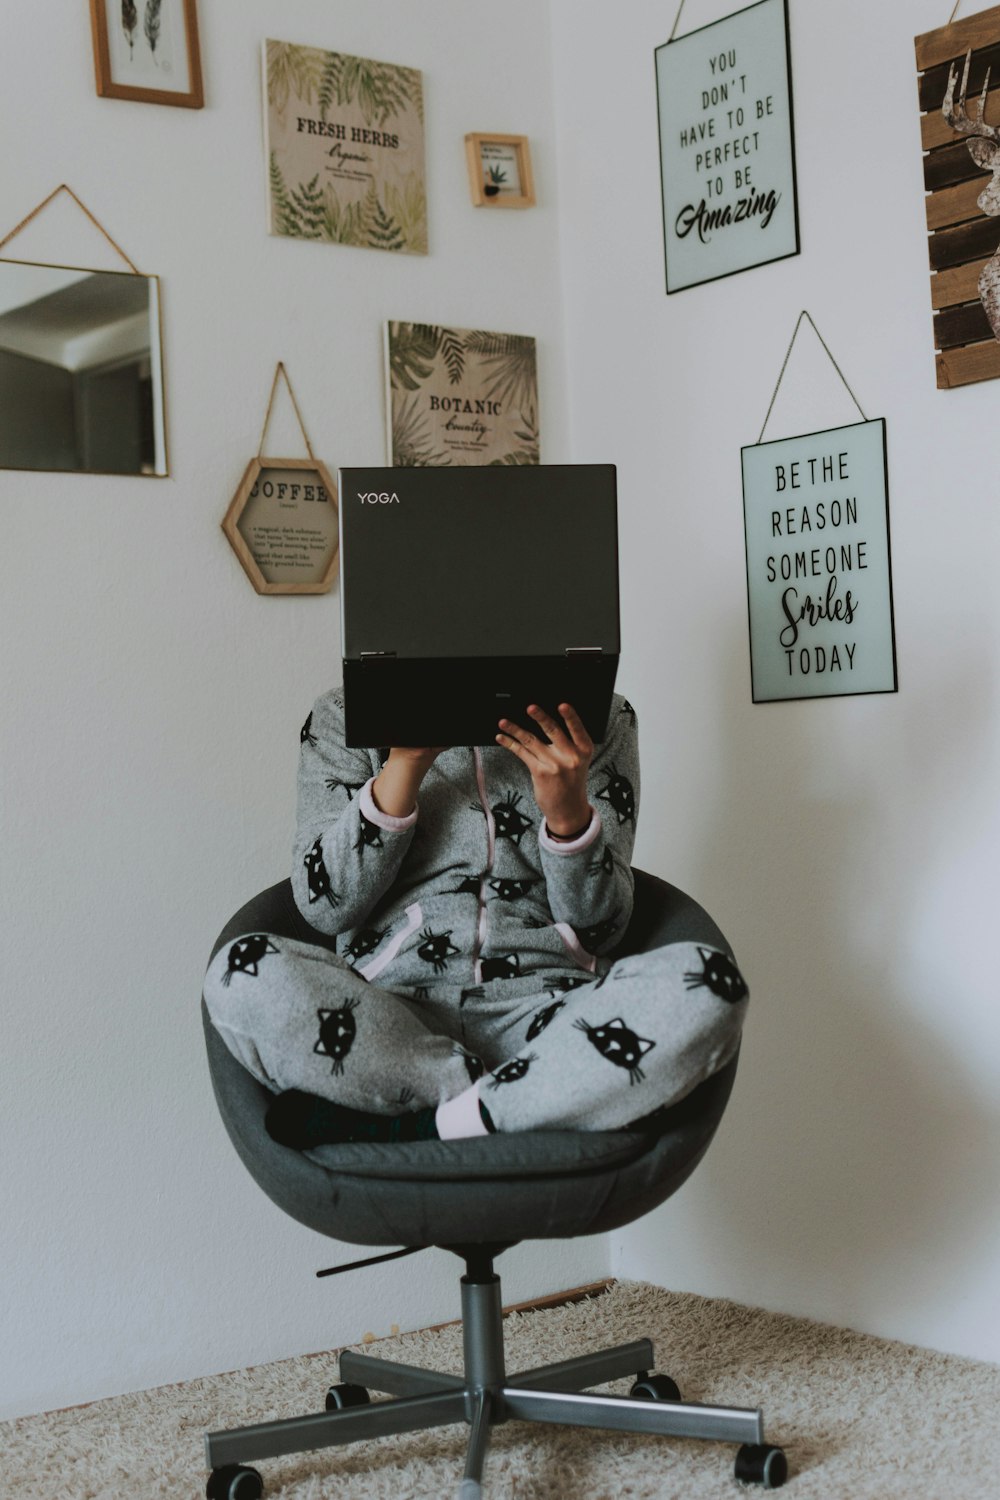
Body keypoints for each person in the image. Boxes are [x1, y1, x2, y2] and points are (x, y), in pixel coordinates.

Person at [203, 689, 748, 1147]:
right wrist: (404, 766)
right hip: (389, 1022)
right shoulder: (345, 716)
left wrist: (567, 815)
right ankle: (509, 1104)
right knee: (239, 974)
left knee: (712, 988)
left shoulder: (598, 719)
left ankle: (431, 1124)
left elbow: (602, 930)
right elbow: (326, 908)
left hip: (550, 1018)